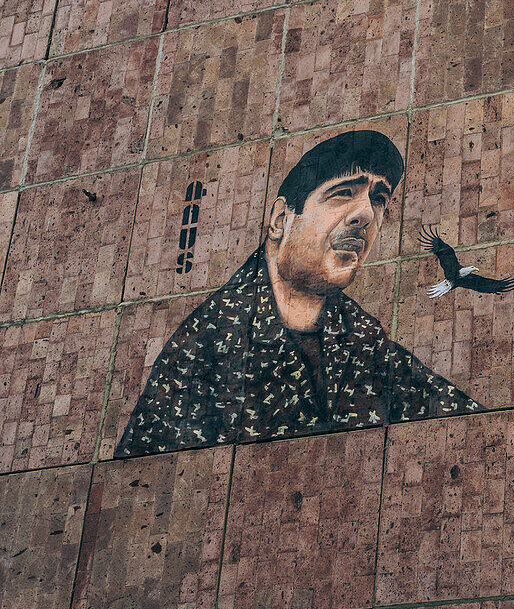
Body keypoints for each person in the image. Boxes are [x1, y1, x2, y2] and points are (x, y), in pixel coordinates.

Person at [116, 130, 479, 457]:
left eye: (379, 199)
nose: (366, 214)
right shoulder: (206, 348)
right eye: (342, 194)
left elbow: (471, 427)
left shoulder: (362, 338)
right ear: (280, 220)